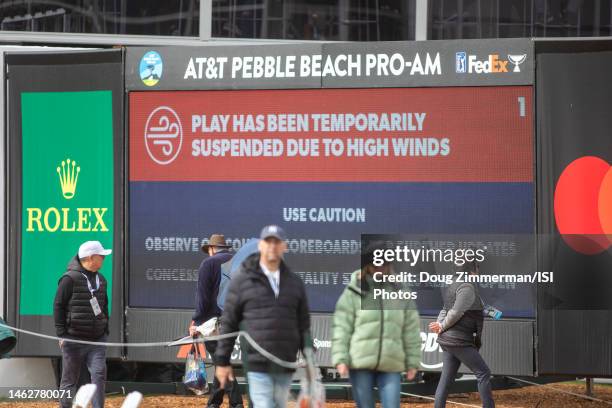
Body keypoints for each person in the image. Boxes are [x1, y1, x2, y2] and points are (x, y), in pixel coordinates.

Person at [215, 225, 311, 408]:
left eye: (277, 242)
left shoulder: (294, 283)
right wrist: (222, 361)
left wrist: (309, 352)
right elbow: (229, 323)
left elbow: (302, 322)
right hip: (256, 361)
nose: (272, 247)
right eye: (268, 242)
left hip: (284, 362)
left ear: (285, 247)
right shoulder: (242, 280)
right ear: (261, 246)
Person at [331, 256, 421, 408]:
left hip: (391, 363)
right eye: (376, 263)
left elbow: (411, 328)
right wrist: (340, 358)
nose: (380, 267)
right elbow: (342, 326)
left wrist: (413, 362)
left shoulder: (400, 290)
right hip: (360, 363)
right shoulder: (354, 290)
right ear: (368, 265)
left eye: (384, 263)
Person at [53, 241, 112, 408]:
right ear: (91, 257)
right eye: (101, 256)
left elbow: (104, 306)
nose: (104, 258)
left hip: (97, 340)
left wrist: (105, 329)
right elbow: (58, 305)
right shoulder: (68, 279)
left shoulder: (102, 279)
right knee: (69, 379)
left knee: (99, 374)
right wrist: (62, 334)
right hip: (73, 340)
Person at [430, 261, 495, 408]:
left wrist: (498, 313)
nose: (478, 271)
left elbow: (446, 309)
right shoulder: (467, 287)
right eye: (477, 268)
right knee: (483, 373)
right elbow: (454, 312)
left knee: (445, 381)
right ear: (470, 270)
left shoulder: (457, 284)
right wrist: (440, 325)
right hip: (458, 341)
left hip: (448, 340)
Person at [189, 233, 243, 408]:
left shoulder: (208, 263)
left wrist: (196, 321)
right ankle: (214, 402)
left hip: (213, 322)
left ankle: (236, 404)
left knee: (221, 361)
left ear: (211, 249)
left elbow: (203, 297)